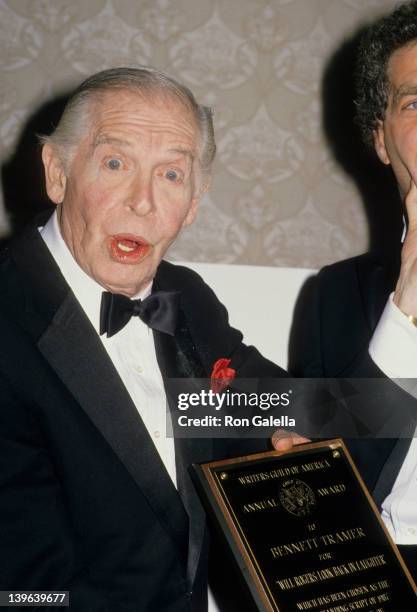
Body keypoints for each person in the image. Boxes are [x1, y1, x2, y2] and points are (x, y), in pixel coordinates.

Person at [0, 66, 288, 611]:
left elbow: (269, 400)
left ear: (196, 202)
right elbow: (21, 592)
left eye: (171, 176)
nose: (143, 202)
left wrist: (403, 312)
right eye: (115, 163)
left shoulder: (186, 297)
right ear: (57, 172)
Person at [290, 0, 417, 580]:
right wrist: (404, 316)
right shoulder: (334, 299)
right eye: (416, 103)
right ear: (382, 141)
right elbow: (318, 504)